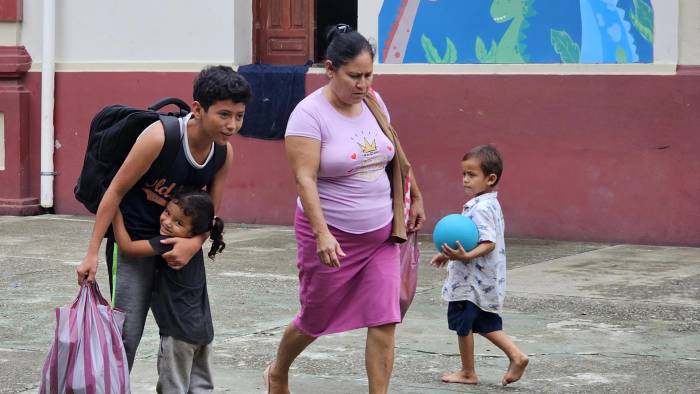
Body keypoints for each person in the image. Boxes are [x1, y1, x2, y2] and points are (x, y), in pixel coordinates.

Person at [265, 24, 426, 394]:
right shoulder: (309, 115)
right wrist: (322, 233)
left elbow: (395, 152)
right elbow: (304, 179)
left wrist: (415, 194)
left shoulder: (373, 101)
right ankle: (278, 371)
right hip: (331, 237)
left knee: (386, 319)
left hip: (383, 236)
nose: (363, 84)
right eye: (354, 76)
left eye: (369, 75)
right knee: (314, 318)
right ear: (330, 69)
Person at [76, 65, 251, 369]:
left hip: (179, 249)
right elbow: (114, 191)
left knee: (186, 333)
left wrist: (193, 244)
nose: (232, 125)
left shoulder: (223, 154)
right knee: (126, 335)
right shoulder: (160, 138)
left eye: (239, 116)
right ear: (197, 109)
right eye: (224, 115)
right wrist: (91, 253)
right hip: (133, 242)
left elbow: (210, 211)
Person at [429, 145, 529, 386]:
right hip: (483, 281)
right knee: (484, 324)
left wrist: (465, 257)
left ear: (490, 178)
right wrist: (450, 255)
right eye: (463, 174)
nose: (465, 180)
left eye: (471, 175)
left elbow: (488, 243)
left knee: (463, 326)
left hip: (471, 283)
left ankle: (467, 372)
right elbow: (472, 240)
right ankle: (516, 355)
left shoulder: (481, 208)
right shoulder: (488, 203)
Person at [111, 191, 224, 393]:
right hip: (204, 331)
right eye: (166, 212)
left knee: (173, 388)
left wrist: (116, 213)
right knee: (200, 388)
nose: (168, 222)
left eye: (179, 222)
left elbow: (127, 247)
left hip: (177, 334)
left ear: (193, 233)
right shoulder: (191, 246)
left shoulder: (168, 244)